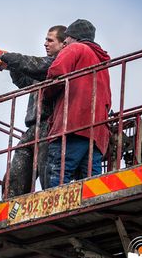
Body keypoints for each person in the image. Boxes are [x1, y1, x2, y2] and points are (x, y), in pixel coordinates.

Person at [0, 25, 66, 197]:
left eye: (50, 40)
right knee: (15, 175)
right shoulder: (44, 70)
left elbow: (32, 64)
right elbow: (25, 81)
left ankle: (52, 201)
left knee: (48, 173)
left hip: (50, 126)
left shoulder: (59, 64)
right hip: (33, 128)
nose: (45, 43)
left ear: (63, 44)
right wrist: (9, 66)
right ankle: (9, 206)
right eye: (45, 39)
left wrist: (4, 55)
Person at [44, 19, 111, 188]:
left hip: (72, 126)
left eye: (66, 39)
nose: (64, 43)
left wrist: (45, 96)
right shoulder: (102, 64)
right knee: (91, 185)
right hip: (96, 134)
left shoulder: (75, 48)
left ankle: (55, 211)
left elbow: (55, 74)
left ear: (73, 37)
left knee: (59, 175)